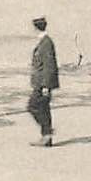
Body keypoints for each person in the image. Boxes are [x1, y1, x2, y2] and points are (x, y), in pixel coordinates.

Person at [28, 16, 60, 147]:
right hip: (41, 83)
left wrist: (46, 85)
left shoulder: (46, 43)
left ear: (36, 28)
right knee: (43, 108)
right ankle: (46, 137)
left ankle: (47, 132)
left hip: (42, 84)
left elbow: (49, 65)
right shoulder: (44, 41)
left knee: (33, 106)